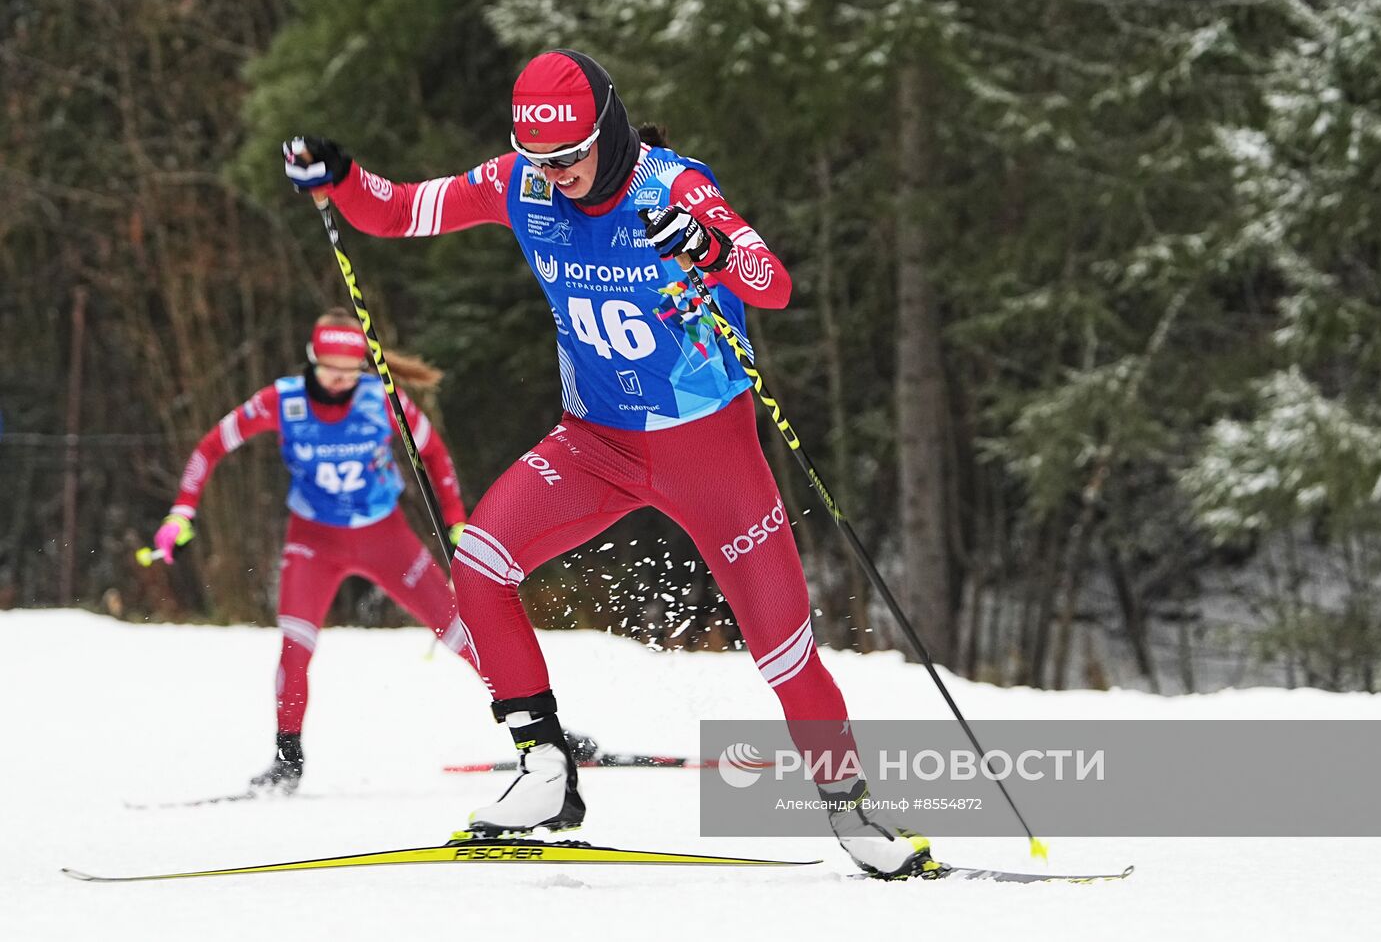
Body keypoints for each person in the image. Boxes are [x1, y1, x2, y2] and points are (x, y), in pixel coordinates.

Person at [282, 49, 937, 878]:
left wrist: (708, 247)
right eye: (539, 160)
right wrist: (341, 176)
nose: (553, 176)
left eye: (569, 158)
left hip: (712, 456)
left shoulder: (674, 186)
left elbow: (772, 284)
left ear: (610, 130)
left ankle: (853, 818)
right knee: (478, 562)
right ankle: (546, 770)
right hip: (596, 444)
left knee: (783, 651)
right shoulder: (519, 182)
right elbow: (399, 213)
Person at [146, 309, 477, 794]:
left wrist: (456, 523)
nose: (340, 380)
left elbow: (435, 454)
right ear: (311, 360)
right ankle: (287, 762)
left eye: (350, 370)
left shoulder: (383, 398)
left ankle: (538, 732)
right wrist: (181, 512)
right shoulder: (281, 401)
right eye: (329, 368)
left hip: (384, 536)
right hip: (313, 540)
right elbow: (209, 448)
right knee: (295, 646)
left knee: (461, 632)